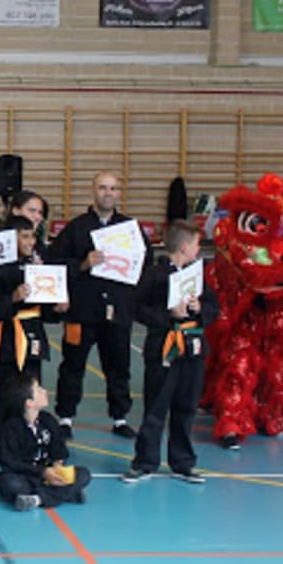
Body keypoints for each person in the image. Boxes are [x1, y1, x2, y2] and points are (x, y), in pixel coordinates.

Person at [50, 171, 147, 440]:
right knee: (72, 364)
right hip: (81, 311)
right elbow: (55, 262)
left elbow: (145, 266)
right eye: (103, 188)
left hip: (117, 312)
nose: (108, 193)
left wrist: (135, 299)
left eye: (113, 188)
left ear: (119, 193)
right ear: (93, 191)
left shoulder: (131, 229)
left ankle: (119, 417)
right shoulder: (76, 228)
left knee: (118, 365)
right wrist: (83, 263)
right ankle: (65, 417)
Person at [123, 220, 217, 484]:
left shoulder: (198, 276)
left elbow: (214, 308)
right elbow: (135, 308)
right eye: (197, 245)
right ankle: (145, 462)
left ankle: (183, 462)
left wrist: (199, 309)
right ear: (185, 247)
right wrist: (168, 315)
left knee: (186, 406)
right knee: (156, 407)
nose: (199, 250)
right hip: (163, 348)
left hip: (193, 348)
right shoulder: (154, 275)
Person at [0, 216, 58, 462]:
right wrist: (12, 299)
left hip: (32, 332)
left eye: (32, 236)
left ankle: (26, 438)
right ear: (9, 239)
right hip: (4, 335)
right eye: (24, 236)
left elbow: (46, 309)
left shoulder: (39, 263)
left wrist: (58, 306)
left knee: (30, 388)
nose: (30, 241)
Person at [0, 375, 91, 511]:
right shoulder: (11, 427)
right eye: (39, 390)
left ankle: (37, 499)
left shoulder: (48, 421)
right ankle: (65, 494)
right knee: (9, 483)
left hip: (50, 475)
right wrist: (42, 472)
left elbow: (60, 450)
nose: (45, 391)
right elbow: (9, 462)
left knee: (84, 474)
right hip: (26, 475)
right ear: (29, 403)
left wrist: (58, 463)